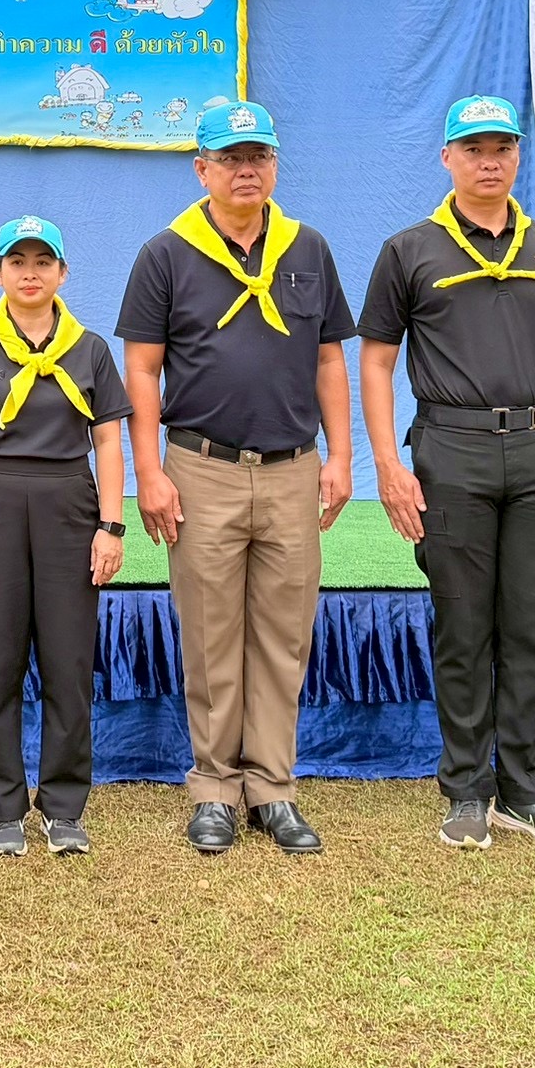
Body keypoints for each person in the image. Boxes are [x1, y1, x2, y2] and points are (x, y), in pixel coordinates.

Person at [357, 95, 535, 851]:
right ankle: (468, 789)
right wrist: (388, 466)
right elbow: (376, 362)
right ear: (447, 158)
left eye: (502, 147)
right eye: (473, 148)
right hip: (452, 449)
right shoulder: (410, 250)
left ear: (518, 155)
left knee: (532, 626)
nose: (489, 161)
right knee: (463, 628)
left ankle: (527, 792)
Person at [115, 98, 355, 855]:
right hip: (201, 469)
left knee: (284, 636)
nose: (245, 170)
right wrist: (148, 471)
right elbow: (142, 370)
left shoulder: (308, 248)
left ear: (274, 165)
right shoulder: (166, 254)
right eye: (230, 158)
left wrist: (341, 457)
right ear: (202, 169)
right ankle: (216, 789)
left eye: (258, 157)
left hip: (292, 469)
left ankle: (273, 789)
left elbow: (329, 359)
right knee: (211, 634)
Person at [0, 215, 130, 858]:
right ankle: (3, 807)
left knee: (68, 662)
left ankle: (64, 806)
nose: (30, 273)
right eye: (17, 262)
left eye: (43, 261)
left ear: (63, 273)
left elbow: (109, 443)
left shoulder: (90, 349)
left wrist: (110, 526)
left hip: (69, 502)